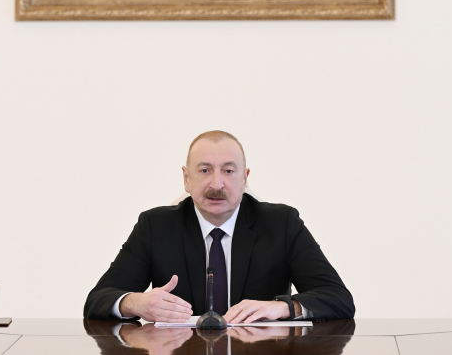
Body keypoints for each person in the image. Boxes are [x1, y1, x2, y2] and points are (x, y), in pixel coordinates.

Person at [84, 130, 354, 323]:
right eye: (204, 171)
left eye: (228, 171)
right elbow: (98, 299)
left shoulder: (282, 224)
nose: (216, 184)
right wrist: (135, 303)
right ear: (186, 178)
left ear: (245, 178)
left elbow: (338, 298)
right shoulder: (155, 226)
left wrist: (283, 307)